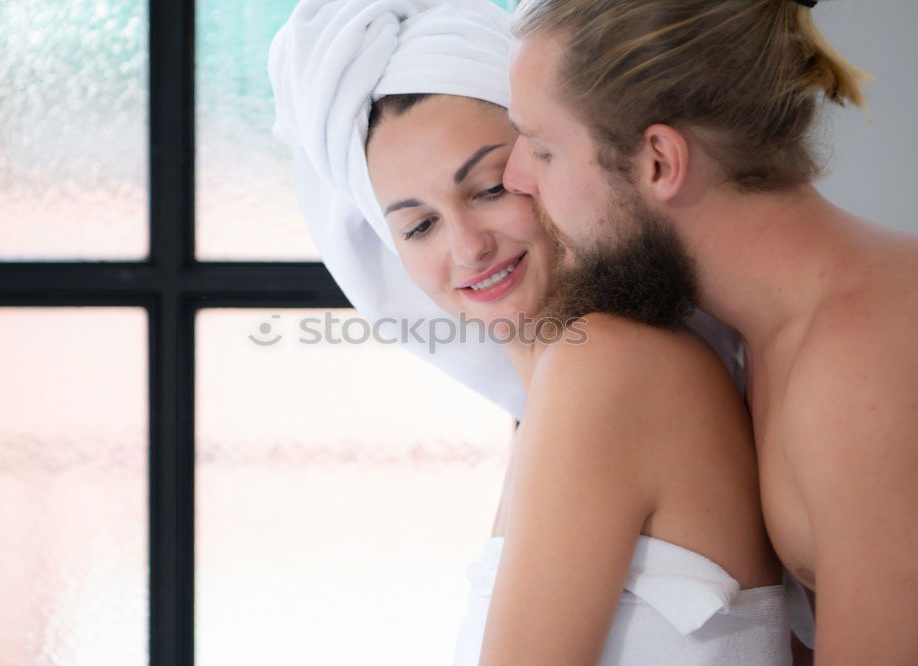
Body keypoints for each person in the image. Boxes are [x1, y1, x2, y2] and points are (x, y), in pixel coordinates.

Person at [270, 1, 791, 663]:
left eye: (489, 188)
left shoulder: (608, 365)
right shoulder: (556, 395)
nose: (468, 247)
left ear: (553, 160)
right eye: (419, 226)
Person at [504, 0, 918, 663]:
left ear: (660, 161)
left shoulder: (862, 366)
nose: (517, 178)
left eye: (545, 150)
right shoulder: (779, 336)